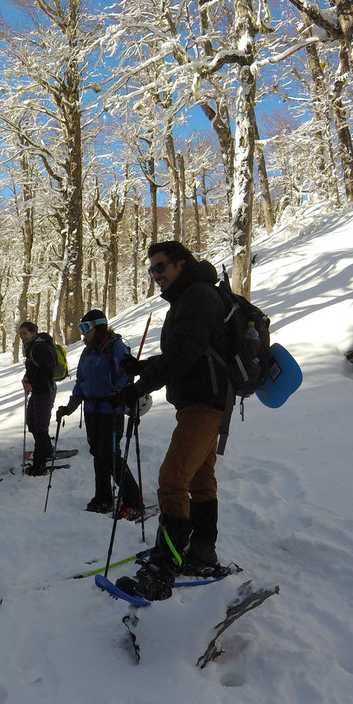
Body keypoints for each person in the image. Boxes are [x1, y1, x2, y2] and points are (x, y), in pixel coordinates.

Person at [114, 241, 231, 601]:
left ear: (182, 264)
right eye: (152, 270)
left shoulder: (197, 296)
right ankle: (200, 554)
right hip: (201, 401)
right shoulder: (188, 298)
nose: (156, 275)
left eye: (161, 267)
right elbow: (183, 353)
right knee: (199, 479)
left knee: (171, 480)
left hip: (204, 403)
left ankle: (165, 567)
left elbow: (184, 357)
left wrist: (138, 388)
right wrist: (143, 367)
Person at [56, 310, 145, 516]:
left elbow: (127, 373)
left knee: (111, 455)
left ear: (99, 327)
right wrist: (70, 407)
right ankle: (103, 498)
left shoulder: (115, 347)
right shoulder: (88, 352)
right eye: (81, 329)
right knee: (98, 454)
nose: (83, 334)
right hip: (91, 410)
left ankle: (134, 501)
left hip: (110, 410)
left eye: (86, 329)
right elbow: (81, 382)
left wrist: (119, 394)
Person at [17, 321, 56, 475]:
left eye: (24, 333)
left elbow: (48, 372)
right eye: (20, 334)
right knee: (32, 422)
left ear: (33, 333)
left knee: (39, 427)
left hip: (45, 391)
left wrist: (31, 382)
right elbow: (34, 368)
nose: (22, 336)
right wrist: (27, 378)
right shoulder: (32, 346)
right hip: (38, 391)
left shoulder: (40, 347)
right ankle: (46, 450)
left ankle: (39, 465)